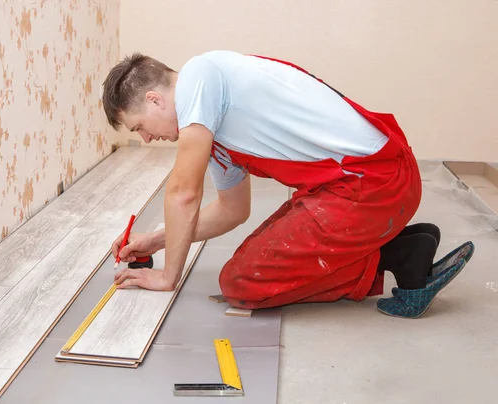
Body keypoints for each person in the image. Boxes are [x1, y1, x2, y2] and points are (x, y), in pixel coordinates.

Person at [104, 50, 474, 318]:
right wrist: (157, 239)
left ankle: (398, 258)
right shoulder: (212, 131)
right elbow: (232, 211)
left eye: (139, 127)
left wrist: (168, 275)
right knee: (249, 263)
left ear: (154, 100)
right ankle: (406, 246)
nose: (147, 139)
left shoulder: (200, 78)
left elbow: (184, 192)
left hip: (373, 184)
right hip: (355, 189)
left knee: (243, 283)